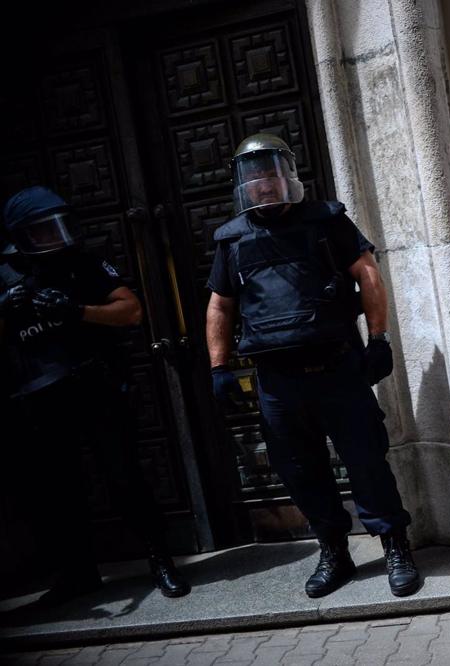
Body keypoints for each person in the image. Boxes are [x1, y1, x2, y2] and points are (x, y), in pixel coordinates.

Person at [205, 134, 419, 598]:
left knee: (366, 463)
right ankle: (334, 552)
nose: (263, 184)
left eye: (270, 173)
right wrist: (219, 368)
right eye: (254, 176)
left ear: (287, 174)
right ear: (244, 183)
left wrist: (378, 339)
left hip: (337, 369)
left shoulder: (327, 220)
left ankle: (395, 546)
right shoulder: (232, 238)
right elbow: (220, 305)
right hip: (278, 382)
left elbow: (368, 274)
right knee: (301, 472)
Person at [0, 187, 190, 603]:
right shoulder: (3, 274)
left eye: (60, 227)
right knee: (58, 491)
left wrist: (77, 311)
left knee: (125, 478)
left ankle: (161, 562)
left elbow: (131, 311)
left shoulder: (80, 263)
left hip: (94, 387)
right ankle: (78, 575)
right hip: (38, 401)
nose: (56, 237)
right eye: (44, 231)